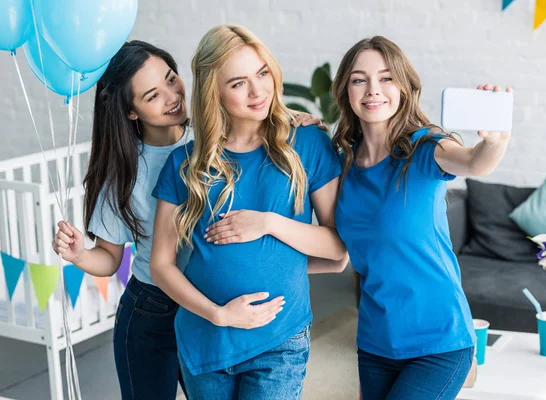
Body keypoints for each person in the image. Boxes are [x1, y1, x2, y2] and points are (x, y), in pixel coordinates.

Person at [51, 40, 322, 400]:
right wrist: (79, 255)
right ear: (131, 112)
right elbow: (110, 258)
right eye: (152, 95)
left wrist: (293, 120)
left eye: (171, 79)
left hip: (216, 308)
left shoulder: (214, 139)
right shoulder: (124, 172)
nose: (172, 96)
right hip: (154, 309)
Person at [150, 25, 347, 399]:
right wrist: (218, 314)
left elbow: (338, 248)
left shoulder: (307, 143)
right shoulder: (185, 163)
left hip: (279, 339)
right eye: (239, 83)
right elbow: (161, 264)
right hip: (205, 338)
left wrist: (267, 224)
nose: (258, 91)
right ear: (215, 93)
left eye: (262, 73)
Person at [331, 36, 511, 399]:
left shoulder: (425, 148)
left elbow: (475, 162)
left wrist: (494, 141)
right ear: (346, 90)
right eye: (359, 79)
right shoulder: (340, 162)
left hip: (439, 341)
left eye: (386, 78)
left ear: (403, 86)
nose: (373, 90)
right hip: (375, 342)